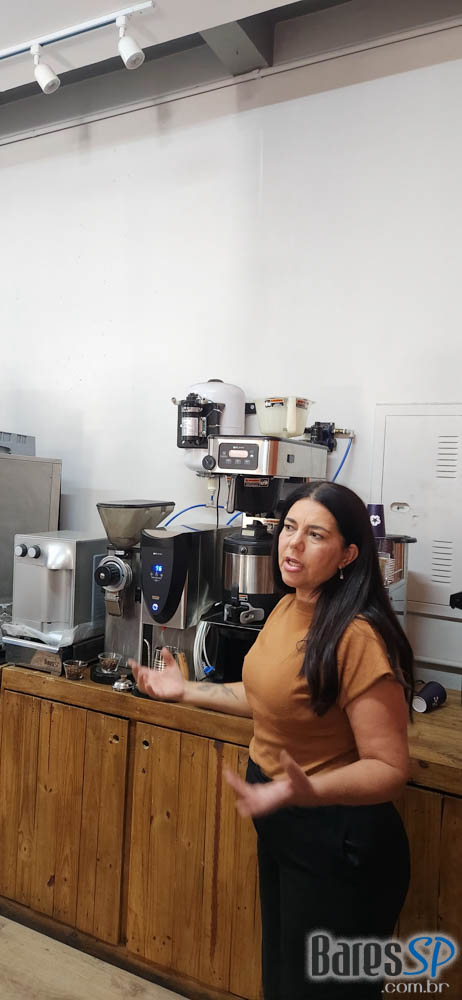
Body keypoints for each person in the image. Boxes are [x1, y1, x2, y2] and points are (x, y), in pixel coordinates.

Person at [130, 481, 414, 1000]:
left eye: (315, 535)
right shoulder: (289, 607)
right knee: (283, 983)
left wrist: (308, 790)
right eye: (289, 528)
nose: (293, 544)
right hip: (284, 822)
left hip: (337, 841)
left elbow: (391, 768)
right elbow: (267, 696)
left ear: (348, 555)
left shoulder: (357, 636)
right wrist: (186, 690)